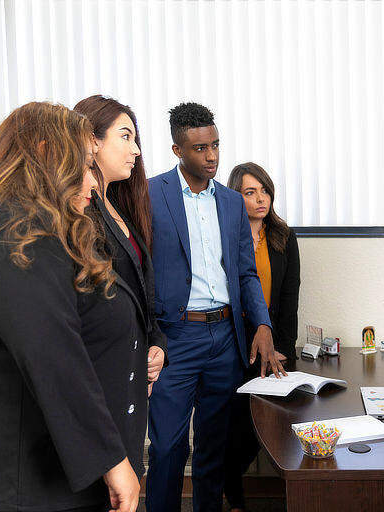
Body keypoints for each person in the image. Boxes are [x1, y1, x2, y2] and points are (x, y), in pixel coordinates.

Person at [0, 102, 142, 512]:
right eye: (84, 166)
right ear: (47, 154)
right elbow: (51, 351)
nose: (91, 183)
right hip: (28, 484)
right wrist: (111, 461)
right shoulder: (14, 232)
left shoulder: (15, 223)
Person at [146, 103, 285, 512]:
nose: (211, 156)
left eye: (216, 145)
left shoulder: (229, 202)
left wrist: (262, 323)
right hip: (175, 338)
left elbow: (245, 273)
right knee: (169, 448)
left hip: (225, 338)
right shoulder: (150, 194)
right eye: (200, 148)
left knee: (213, 449)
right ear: (177, 150)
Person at [73, 95, 167, 395]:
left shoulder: (120, 207)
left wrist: (156, 347)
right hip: (103, 376)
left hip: (133, 370)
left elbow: (140, 294)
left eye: (135, 139)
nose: (136, 150)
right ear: (92, 141)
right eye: (125, 137)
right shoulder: (79, 216)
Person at [224, 162, 301, 512]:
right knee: (235, 430)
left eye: (265, 190)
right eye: (249, 192)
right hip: (234, 347)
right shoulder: (224, 236)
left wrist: (283, 349)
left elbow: (289, 299)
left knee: (271, 429)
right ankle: (234, 495)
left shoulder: (284, 237)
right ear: (233, 197)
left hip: (274, 351)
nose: (260, 199)